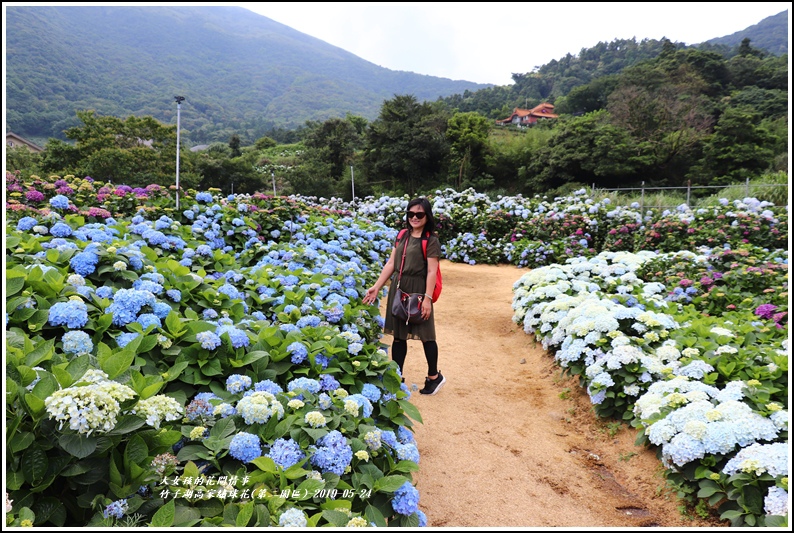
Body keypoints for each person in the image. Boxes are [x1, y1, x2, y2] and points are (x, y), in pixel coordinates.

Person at [363, 197, 445, 395]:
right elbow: (392, 263)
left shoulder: (431, 241)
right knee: (398, 336)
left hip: (419, 289)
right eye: (410, 214)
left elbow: (432, 272)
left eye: (419, 214)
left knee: (426, 334)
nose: (414, 218)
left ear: (427, 216)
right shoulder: (401, 235)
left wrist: (427, 299)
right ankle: (396, 378)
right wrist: (376, 286)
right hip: (399, 288)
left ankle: (434, 377)